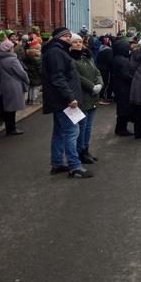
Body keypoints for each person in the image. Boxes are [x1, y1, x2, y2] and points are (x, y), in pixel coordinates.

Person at [41, 27, 92, 178]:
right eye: (68, 36)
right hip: (64, 101)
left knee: (59, 132)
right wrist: (70, 98)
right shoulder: (57, 52)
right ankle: (75, 167)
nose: (70, 39)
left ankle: (56, 163)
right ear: (61, 37)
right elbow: (58, 78)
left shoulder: (57, 51)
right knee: (72, 131)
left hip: (60, 100)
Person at [69, 34, 102, 164]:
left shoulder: (87, 56)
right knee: (81, 127)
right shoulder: (71, 59)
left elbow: (97, 72)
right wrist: (92, 86)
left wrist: (99, 83)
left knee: (88, 126)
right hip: (81, 96)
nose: (78, 44)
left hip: (92, 97)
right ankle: (80, 152)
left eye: (80, 42)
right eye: (75, 42)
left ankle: (86, 149)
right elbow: (77, 77)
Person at [0, 39, 29, 136]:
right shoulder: (12, 59)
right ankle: (11, 129)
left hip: (4, 84)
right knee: (12, 109)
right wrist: (27, 80)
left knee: (7, 108)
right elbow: (21, 73)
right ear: (9, 49)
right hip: (14, 85)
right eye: (12, 47)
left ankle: (9, 128)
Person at [111, 39, 134, 136]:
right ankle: (121, 129)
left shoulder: (116, 58)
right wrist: (134, 78)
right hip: (124, 87)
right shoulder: (123, 60)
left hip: (118, 85)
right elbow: (126, 75)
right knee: (124, 108)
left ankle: (119, 128)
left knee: (121, 107)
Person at [23, 39, 42, 104]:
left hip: (30, 74)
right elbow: (39, 68)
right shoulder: (37, 57)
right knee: (35, 88)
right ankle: (34, 100)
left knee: (31, 87)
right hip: (35, 75)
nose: (40, 48)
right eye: (39, 47)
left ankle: (30, 99)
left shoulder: (27, 54)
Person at [96, 36, 114, 103]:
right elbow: (110, 61)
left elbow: (97, 59)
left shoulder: (100, 49)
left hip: (100, 67)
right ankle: (104, 98)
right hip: (106, 69)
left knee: (102, 82)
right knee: (106, 83)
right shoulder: (109, 50)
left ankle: (100, 97)